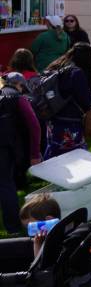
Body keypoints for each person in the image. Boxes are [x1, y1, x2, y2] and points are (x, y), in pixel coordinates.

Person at [43, 43, 91, 159]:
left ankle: (48, 174)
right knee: (74, 157)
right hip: (70, 121)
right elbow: (86, 101)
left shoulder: (58, 66)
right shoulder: (76, 73)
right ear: (86, 58)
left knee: (54, 150)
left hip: (53, 118)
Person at [1, 73, 41, 232]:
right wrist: (35, 154)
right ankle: (13, 227)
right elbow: (35, 126)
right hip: (4, 148)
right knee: (6, 185)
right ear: (19, 85)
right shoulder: (18, 98)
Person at [20, 193, 62, 257]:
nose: (29, 233)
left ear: (49, 221)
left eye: (32, 227)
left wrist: (38, 245)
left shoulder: (55, 242)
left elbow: (39, 265)